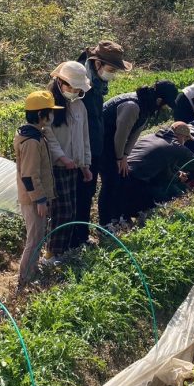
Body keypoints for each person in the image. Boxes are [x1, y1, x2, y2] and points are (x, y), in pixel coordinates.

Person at [70, 41, 130, 248]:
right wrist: (84, 156)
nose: (112, 74)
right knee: (82, 193)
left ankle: (82, 235)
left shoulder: (96, 83)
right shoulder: (81, 85)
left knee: (88, 192)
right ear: (97, 63)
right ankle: (77, 239)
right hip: (82, 149)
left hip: (93, 146)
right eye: (111, 69)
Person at [98, 80, 179, 226]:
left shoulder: (147, 106)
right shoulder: (133, 106)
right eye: (166, 103)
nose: (166, 107)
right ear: (159, 100)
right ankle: (105, 223)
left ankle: (118, 217)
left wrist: (125, 156)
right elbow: (120, 134)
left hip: (116, 145)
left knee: (122, 178)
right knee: (110, 181)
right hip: (103, 142)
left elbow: (134, 134)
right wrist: (119, 157)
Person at [44, 61, 92, 262]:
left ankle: (60, 251)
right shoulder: (48, 105)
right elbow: (48, 135)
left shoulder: (80, 106)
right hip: (56, 167)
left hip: (74, 166)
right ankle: (52, 253)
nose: (74, 91)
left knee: (71, 210)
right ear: (59, 82)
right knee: (60, 211)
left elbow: (84, 137)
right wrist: (62, 157)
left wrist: (85, 165)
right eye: (70, 86)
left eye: (77, 88)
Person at [14, 91, 60, 285]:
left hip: (33, 197)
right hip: (32, 199)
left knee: (37, 235)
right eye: (50, 112)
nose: (52, 116)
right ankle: (25, 277)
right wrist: (40, 199)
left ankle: (32, 269)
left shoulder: (32, 135)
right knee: (34, 238)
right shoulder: (32, 142)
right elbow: (29, 174)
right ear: (41, 114)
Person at [122, 122, 194, 216]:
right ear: (181, 136)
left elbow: (161, 165)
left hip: (122, 173)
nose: (185, 142)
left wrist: (178, 173)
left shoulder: (151, 137)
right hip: (136, 180)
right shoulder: (175, 146)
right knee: (163, 201)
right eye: (186, 138)